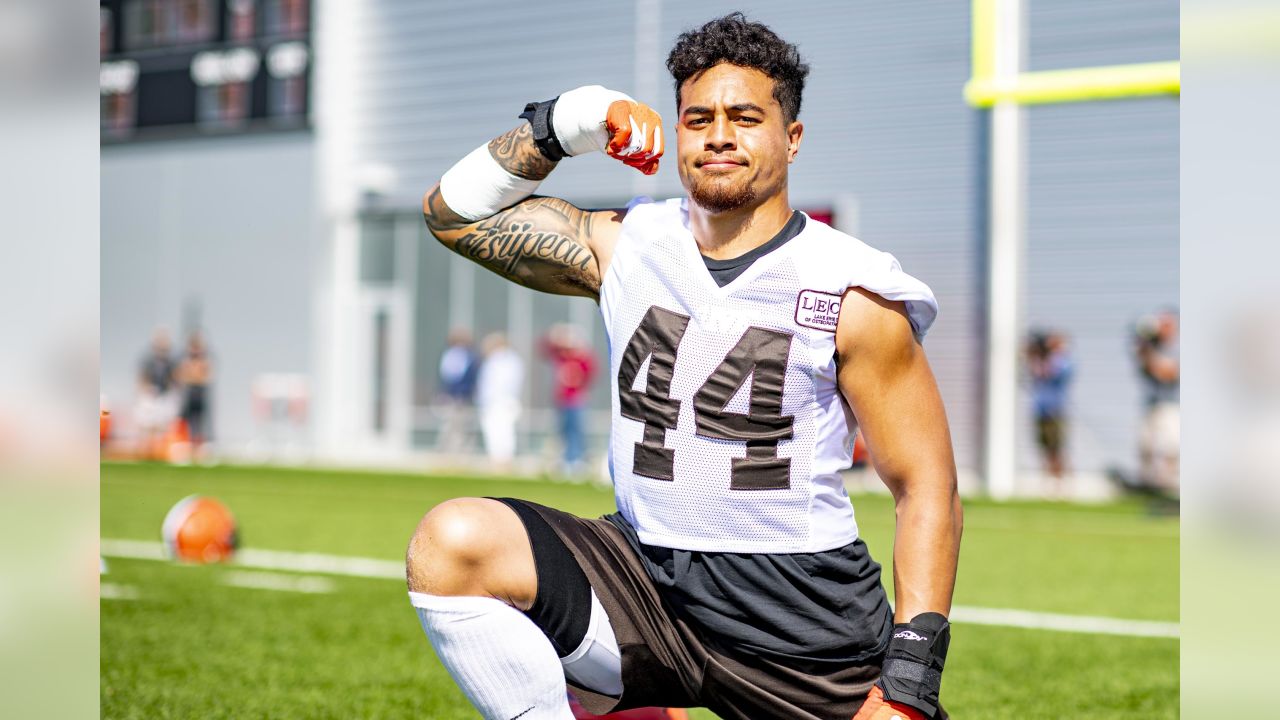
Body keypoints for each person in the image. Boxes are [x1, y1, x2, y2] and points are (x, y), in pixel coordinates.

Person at [406, 14, 961, 720]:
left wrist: (910, 680)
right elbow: (454, 216)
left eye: (745, 117)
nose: (720, 135)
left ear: (791, 139)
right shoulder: (631, 244)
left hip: (799, 623)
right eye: (699, 118)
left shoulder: (850, 289)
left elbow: (927, 486)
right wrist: (570, 121)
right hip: (644, 582)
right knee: (452, 542)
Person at [541, 324, 597, 476]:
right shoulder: (561, 357)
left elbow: (591, 372)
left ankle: (576, 460)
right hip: (563, 400)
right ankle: (567, 459)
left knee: (575, 430)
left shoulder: (581, 358)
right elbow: (545, 347)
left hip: (576, 400)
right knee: (564, 431)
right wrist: (557, 336)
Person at [1134, 309, 1179, 495]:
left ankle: (1172, 487)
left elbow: (1168, 374)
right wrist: (1145, 347)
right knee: (1146, 447)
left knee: (1171, 447)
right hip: (1151, 404)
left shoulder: (1178, 347)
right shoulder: (1152, 347)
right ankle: (1149, 486)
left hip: (1172, 404)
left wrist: (1152, 358)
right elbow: (1143, 369)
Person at [1027, 330, 1072, 493]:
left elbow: (1051, 373)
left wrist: (1048, 355)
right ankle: (1048, 483)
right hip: (1040, 410)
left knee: (1057, 448)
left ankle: (1062, 484)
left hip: (1055, 410)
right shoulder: (1039, 359)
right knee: (1044, 448)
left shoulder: (1062, 361)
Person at [475, 333, 525, 470]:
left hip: (501, 401)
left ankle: (503, 461)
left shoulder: (504, 361)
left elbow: (498, 385)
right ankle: (498, 459)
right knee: (494, 431)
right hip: (495, 402)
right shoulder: (497, 360)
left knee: (502, 431)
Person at [135, 328, 177, 459]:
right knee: (147, 424)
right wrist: (145, 390)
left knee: (161, 425)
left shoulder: (170, 362)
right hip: (151, 394)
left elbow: (173, 378)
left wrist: (171, 390)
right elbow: (142, 377)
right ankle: (145, 451)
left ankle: (159, 451)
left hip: (163, 395)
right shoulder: (148, 360)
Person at [437, 328, 479, 455]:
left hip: (463, 398)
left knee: (463, 427)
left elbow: (470, 378)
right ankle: (447, 453)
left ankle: (461, 453)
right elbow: (446, 377)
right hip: (451, 397)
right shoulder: (449, 355)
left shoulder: (470, 357)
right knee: (449, 426)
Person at [176, 331, 214, 461]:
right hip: (189, 394)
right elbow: (182, 376)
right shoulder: (186, 360)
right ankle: (190, 449)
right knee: (189, 422)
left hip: (200, 394)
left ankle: (200, 451)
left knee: (201, 423)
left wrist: (194, 375)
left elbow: (205, 377)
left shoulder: (204, 360)